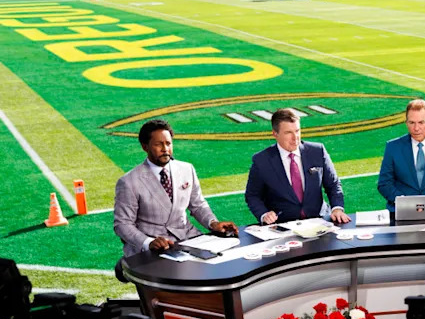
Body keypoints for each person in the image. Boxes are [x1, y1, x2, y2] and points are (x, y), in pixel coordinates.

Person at [114, 119, 237, 257]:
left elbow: (198, 205)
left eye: (168, 143)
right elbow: (122, 224)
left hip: (188, 237)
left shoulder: (187, 169)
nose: (165, 149)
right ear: (145, 147)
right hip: (156, 246)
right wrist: (148, 242)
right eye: (158, 144)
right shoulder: (129, 182)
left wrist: (213, 223)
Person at [244, 108, 350, 226]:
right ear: (275, 134)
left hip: (320, 220)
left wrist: (337, 208)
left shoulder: (317, 151)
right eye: (288, 133)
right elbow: (252, 195)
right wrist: (264, 214)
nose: (295, 138)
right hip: (283, 226)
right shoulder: (261, 160)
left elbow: (333, 184)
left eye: (297, 131)